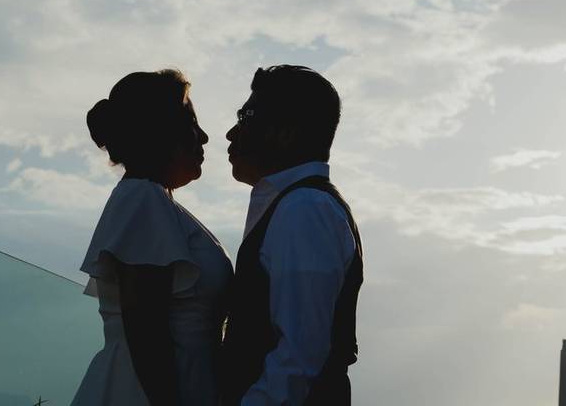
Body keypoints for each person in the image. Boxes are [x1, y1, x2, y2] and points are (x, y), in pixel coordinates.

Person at [71, 69, 233, 406]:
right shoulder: (144, 200)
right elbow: (146, 330)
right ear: (163, 133)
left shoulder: (154, 203)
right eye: (192, 124)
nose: (203, 137)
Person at [220, 65, 364, 406]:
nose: (230, 133)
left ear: (286, 133)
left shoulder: (305, 208)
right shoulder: (298, 205)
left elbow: (300, 355)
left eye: (246, 117)